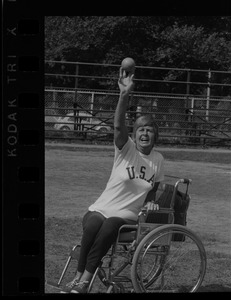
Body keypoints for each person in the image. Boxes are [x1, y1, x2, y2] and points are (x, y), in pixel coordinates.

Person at [60, 66, 165, 294]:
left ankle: (84, 282)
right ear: (134, 135)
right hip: (101, 207)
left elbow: (153, 189)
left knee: (108, 226)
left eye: (149, 130)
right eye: (140, 130)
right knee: (93, 224)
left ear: (155, 135)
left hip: (127, 214)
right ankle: (78, 275)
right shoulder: (126, 151)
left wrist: (151, 201)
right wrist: (123, 95)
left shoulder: (158, 159)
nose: (144, 133)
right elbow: (118, 126)